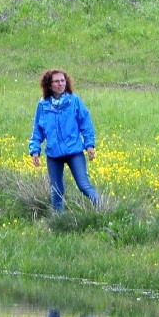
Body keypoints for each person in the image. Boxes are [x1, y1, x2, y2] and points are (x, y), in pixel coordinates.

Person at [28, 68, 99, 211]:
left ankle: (104, 208)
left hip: (74, 152)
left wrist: (89, 145)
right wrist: (35, 150)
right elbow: (38, 130)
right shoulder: (43, 105)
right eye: (56, 81)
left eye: (62, 80)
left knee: (84, 186)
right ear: (49, 85)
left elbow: (86, 123)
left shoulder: (74, 101)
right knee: (56, 191)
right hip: (53, 154)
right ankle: (58, 219)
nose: (60, 84)